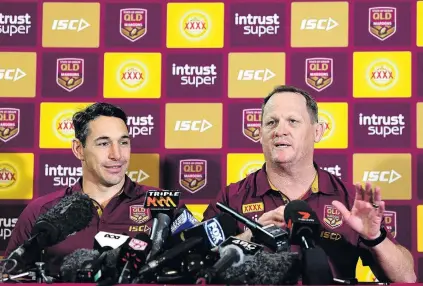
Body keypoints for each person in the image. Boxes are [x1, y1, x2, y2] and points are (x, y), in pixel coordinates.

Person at [203, 85, 417, 283]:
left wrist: (374, 238)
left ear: (318, 132)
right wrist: (251, 235)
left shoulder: (347, 199)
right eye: (271, 122)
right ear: (260, 134)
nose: (280, 131)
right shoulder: (231, 198)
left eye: (293, 121)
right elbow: (201, 271)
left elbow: (407, 278)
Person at [5, 103, 162, 277]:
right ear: (79, 149)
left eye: (123, 142)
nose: (117, 154)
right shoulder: (41, 211)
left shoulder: (164, 207)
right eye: (103, 143)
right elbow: (11, 277)